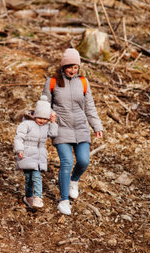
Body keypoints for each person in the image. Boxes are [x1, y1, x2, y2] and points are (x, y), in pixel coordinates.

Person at [41, 48, 103, 215]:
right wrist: (47, 116)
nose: (72, 70)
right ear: (63, 66)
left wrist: (96, 126)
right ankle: (63, 200)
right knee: (67, 162)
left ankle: (73, 181)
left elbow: (90, 106)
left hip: (81, 127)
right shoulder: (52, 81)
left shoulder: (83, 82)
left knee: (83, 161)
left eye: (75, 67)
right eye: (69, 67)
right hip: (61, 128)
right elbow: (44, 104)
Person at [14, 95, 58, 208]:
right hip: (27, 154)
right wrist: (19, 149)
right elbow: (19, 137)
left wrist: (53, 123)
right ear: (35, 116)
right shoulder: (26, 124)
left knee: (36, 176)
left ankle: (37, 197)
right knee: (29, 178)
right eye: (40, 118)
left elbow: (53, 134)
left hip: (39, 155)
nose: (42, 121)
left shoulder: (46, 126)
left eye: (45, 119)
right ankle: (29, 197)